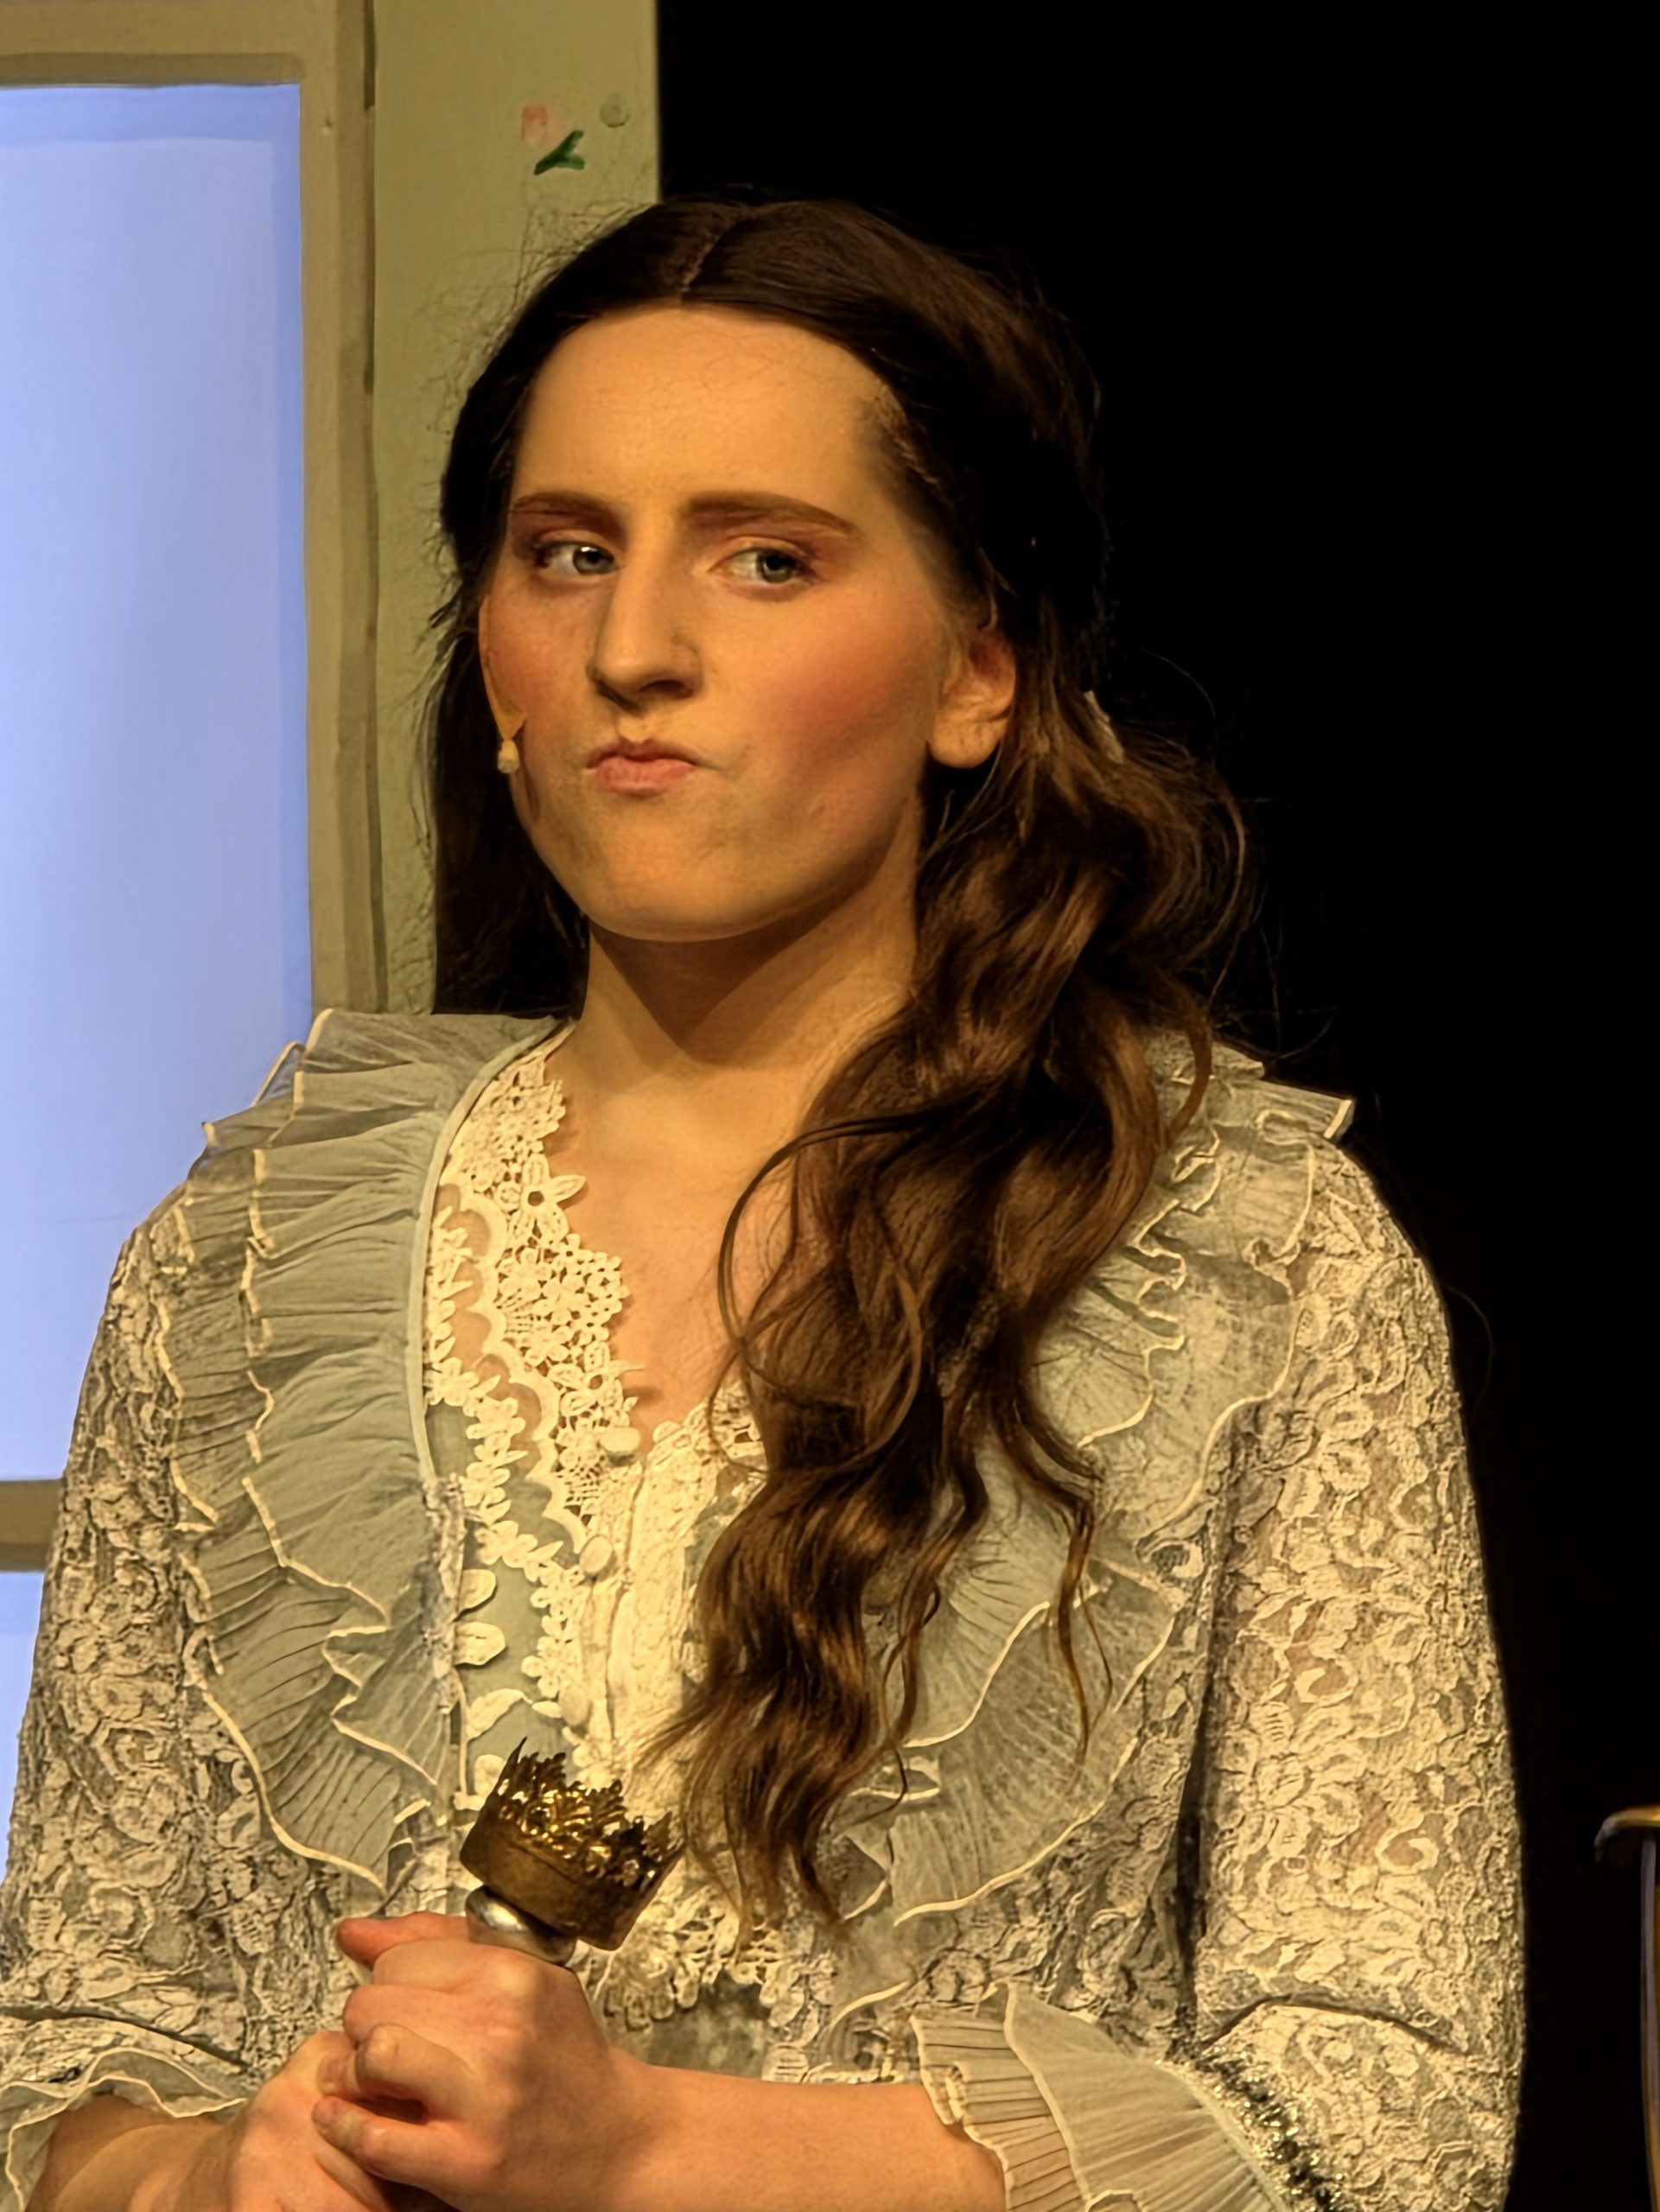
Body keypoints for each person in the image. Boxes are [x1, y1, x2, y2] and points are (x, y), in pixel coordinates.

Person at [0, 188, 1523, 2212]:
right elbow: (70, 2044)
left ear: (976, 670)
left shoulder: (1249, 1263)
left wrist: (646, 2146)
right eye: (567, 552)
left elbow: (1385, 2132)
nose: (634, 647)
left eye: (766, 557)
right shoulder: (244, 1263)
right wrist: (210, 2171)